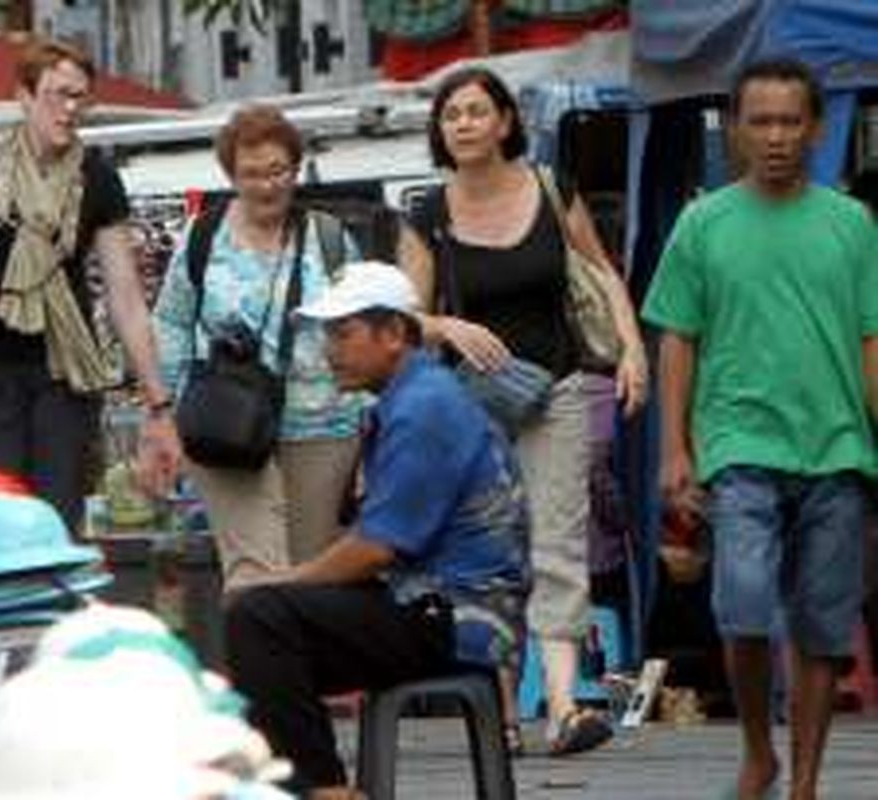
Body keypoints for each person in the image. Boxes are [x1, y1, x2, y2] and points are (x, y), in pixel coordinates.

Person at [643, 59, 878, 800]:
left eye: (789, 121)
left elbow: (872, 339)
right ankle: (757, 751)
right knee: (743, 604)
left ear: (815, 128)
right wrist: (675, 447)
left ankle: (803, 779)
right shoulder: (702, 222)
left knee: (822, 624)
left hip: (838, 447)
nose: (775, 136)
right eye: (760, 121)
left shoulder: (853, 223)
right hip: (739, 445)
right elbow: (676, 336)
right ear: (735, 130)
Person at [400, 65, 647, 755]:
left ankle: (564, 704)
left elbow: (601, 276)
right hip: (469, 404)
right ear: (440, 131)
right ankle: (501, 713)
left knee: (559, 543)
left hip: (557, 389)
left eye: (478, 112)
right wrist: (448, 328)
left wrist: (631, 352)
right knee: (487, 552)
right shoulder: (429, 215)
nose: (466, 125)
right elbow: (404, 318)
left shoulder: (547, 187)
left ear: (505, 121)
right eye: (453, 116)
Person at [225, 261, 529, 799]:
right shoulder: (414, 396)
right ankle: (308, 785)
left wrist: (287, 581)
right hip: (432, 600)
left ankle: (323, 790)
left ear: (393, 334)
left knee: (260, 617)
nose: (330, 351)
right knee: (263, 646)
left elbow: (376, 547)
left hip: (458, 615)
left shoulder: (423, 407)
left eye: (343, 334)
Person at [0, 36, 179, 531]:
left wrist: (158, 403)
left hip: (63, 373)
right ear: (24, 96)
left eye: (80, 97)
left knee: (55, 524)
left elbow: (125, 295)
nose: (70, 109)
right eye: (57, 95)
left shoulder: (96, 177)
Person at [150, 104, 364, 591]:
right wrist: (166, 410)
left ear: (296, 170)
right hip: (226, 428)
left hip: (322, 425)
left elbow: (362, 333)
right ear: (231, 175)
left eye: (278, 171)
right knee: (255, 573)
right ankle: (261, 665)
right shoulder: (203, 237)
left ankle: (302, 666)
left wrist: (370, 419)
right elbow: (171, 322)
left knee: (313, 572)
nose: (267, 186)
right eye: (251, 174)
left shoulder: (329, 239)